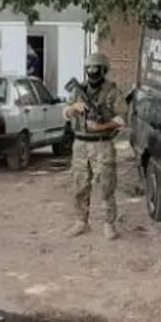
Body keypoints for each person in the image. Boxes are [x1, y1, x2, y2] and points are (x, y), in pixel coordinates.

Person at [63, 52, 126, 240]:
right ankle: (81, 222)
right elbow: (64, 112)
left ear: (103, 70)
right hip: (80, 144)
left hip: (102, 145)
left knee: (106, 186)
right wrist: (74, 108)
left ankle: (109, 224)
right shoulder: (77, 91)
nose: (92, 72)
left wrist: (102, 126)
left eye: (96, 68)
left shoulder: (113, 92)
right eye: (89, 68)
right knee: (79, 185)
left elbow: (122, 119)